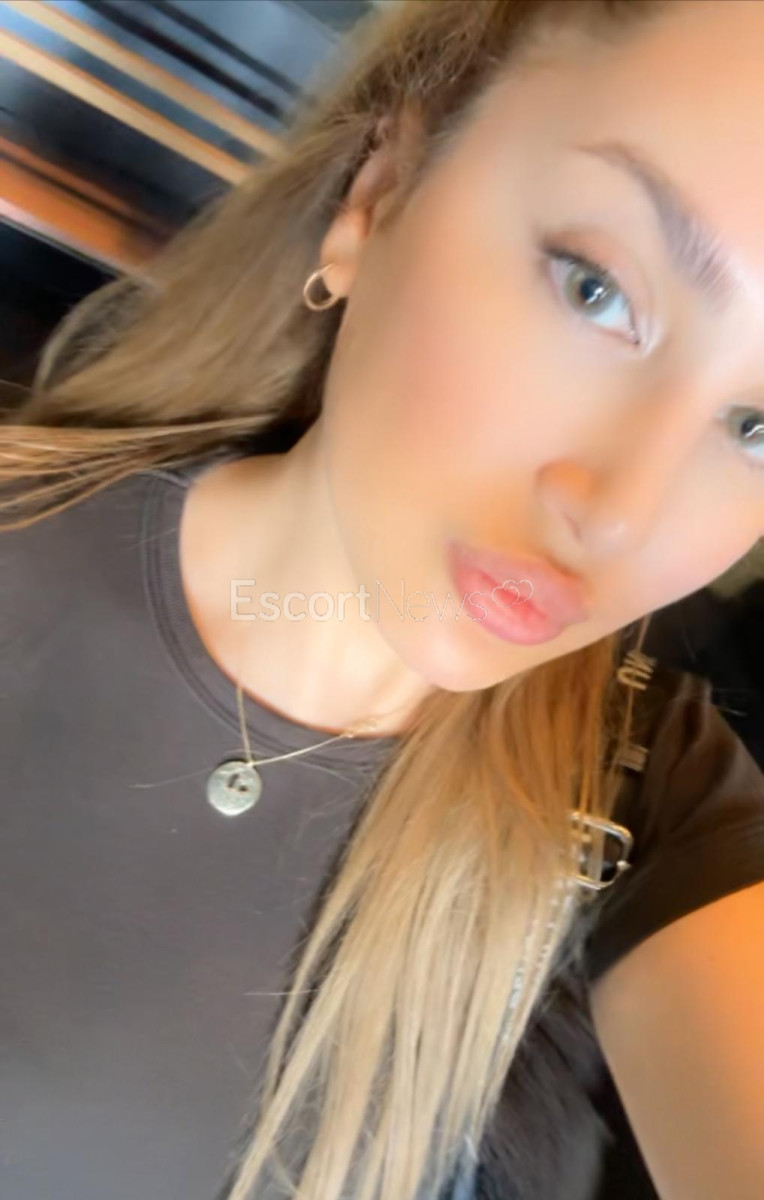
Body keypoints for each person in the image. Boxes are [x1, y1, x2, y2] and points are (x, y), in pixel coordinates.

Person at [1, 1, 763, 1198]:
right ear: (378, 193)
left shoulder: (649, 804)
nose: (621, 514)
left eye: (755, 427)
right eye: (594, 288)